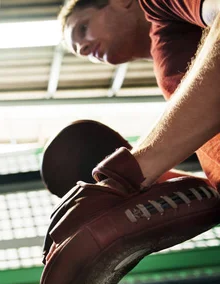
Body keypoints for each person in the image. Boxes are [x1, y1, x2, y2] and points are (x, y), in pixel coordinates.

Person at [59, 0, 220, 190]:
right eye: (80, 52)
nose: (83, 49)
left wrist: (132, 170)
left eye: (83, 28)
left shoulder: (156, 3)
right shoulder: (171, 67)